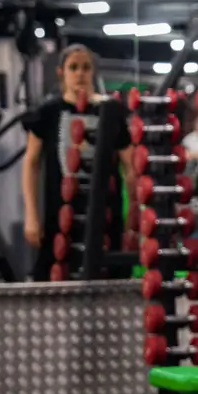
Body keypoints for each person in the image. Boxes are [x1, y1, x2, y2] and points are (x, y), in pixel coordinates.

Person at [22, 45, 136, 281]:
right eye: (73, 68)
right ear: (61, 72)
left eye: (85, 67)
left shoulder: (111, 112)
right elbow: (31, 164)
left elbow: (130, 167)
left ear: (93, 71)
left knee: (108, 275)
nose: (80, 73)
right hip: (60, 214)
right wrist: (31, 215)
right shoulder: (48, 112)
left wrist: (133, 215)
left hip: (105, 213)